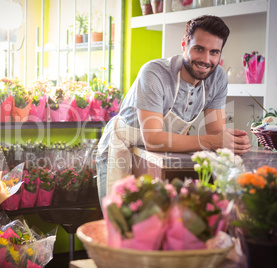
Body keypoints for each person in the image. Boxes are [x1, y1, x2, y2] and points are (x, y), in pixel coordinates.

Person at [96, 15, 251, 202]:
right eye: (199, 49)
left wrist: (231, 142)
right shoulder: (154, 73)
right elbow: (153, 139)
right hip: (121, 147)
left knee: (155, 221)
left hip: (158, 155)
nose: (206, 59)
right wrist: (214, 141)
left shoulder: (217, 78)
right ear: (184, 44)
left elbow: (215, 133)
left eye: (214, 52)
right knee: (118, 219)